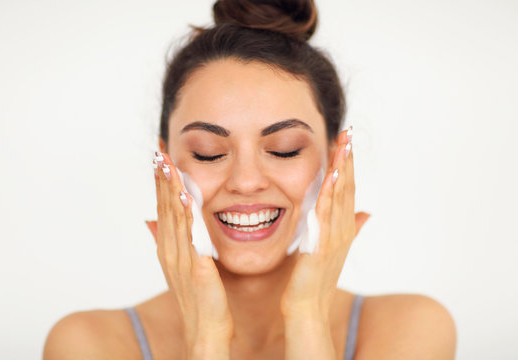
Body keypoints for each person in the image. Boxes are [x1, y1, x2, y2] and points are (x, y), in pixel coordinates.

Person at [43, 0, 457, 358]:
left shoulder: (410, 329)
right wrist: (206, 338)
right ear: (164, 162)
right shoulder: (89, 344)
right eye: (208, 152)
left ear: (335, 162)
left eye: (284, 149)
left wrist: (307, 317)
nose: (245, 181)